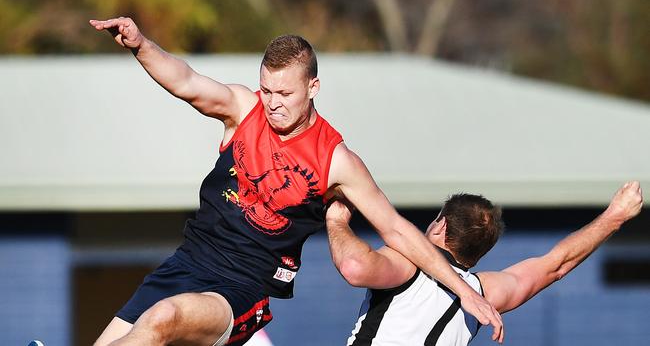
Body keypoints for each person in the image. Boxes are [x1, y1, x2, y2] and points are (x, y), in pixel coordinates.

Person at [88, 17, 503, 346]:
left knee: (163, 318)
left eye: (284, 94)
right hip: (186, 263)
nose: (272, 103)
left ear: (313, 87)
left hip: (240, 291)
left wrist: (464, 291)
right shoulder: (244, 109)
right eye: (266, 90)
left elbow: (396, 229)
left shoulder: (336, 161)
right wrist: (142, 45)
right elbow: (185, 80)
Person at [325, 181, 643, 345]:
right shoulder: (483, 294)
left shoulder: (408, 264)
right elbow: (556, 265)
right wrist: (615, 216)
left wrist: (336, 220)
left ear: (441, 226)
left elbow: (354, 266)